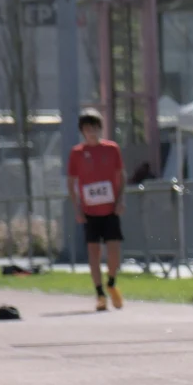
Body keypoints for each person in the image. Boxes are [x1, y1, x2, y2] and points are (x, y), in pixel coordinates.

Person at [67, 109, 126, 312]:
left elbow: (121, 177)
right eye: (87, 129)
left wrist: (120, 200)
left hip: (110, 209)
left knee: (114, 251)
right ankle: (100, 293)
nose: (92, 132)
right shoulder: (77, 153)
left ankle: (111, 282)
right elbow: (71, 182)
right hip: (89, 211)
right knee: (93, 253)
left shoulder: (112, 149)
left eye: (95, 128)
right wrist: (77, 208)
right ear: (82, 131)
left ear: (100, 128)